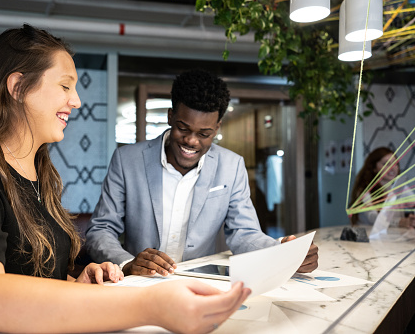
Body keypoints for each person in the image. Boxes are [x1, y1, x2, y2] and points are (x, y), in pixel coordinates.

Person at [0, 25, 250, 334]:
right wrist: (151, 305)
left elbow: (28, 275)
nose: (77, 101)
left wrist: (74, 281)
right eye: (65, 86)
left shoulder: (38, 172)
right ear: (18, 87)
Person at [85, 69, 319, 277]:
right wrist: (126, 263)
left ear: (217, 128)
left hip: (201, 285)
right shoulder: (127, 160)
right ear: (170, 116)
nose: (191, 141)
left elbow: (244, 233)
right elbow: (101, 229)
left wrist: (283, 252)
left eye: (204, 134)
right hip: (141, 283)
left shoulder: (232, 166)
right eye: (183, 128)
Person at [350, 146, 415, 228]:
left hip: (391, 237)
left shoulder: (401, 188)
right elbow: (372, 217)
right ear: (374, 168)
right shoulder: (364, 191)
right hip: (367, 237)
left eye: (395, 164)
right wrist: (399, 222)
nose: (392, 168)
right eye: (386, 164)